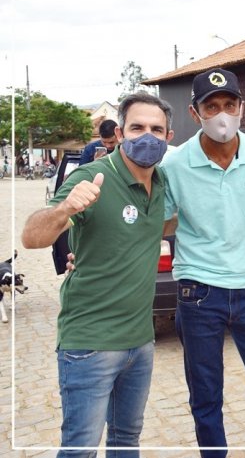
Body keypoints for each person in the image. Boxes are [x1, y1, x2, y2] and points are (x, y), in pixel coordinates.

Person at [21, 92, 174, 457]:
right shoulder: (93, 177)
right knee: (80, 449)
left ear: (169, 137)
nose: (147, 137)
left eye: (156, 130)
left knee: (126, 441)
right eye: (137, 128)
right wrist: (65, 209)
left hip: (141, 341)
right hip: (91, 343)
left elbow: (158, 225)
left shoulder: (162, 181)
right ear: (119, 133)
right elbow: (31, 237)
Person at [161, 68, 245, 458]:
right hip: (198, 292)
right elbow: (163, 222)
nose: (222, 114)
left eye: (229, 104)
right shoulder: (176, 165)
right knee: (205, 396)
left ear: (241, 107)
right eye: (212, 107)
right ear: (195, 113)